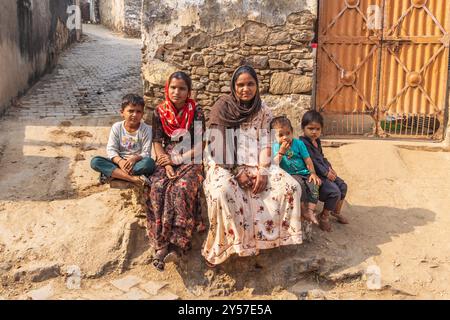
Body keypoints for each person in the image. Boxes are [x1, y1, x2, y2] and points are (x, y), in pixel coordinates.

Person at [202, 65, 304, 267]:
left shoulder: (264, 110)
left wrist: (263, 171)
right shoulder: (222, 107)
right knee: (222, 191)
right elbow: (217, 144)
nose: (245, 89)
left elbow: (266, 143)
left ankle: (267, 241)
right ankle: (227, 246)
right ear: (233, 86)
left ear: (257, 86)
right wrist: (237, 171)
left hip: (257, 159)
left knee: (291, 188)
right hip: (225, 160)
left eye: (250, 84)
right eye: (240, 84)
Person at [146, 71, 205, 272]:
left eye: (181, 88)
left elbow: (200, 145)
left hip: (191, 155)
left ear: (188, 91)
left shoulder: (196, 112)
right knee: (158, 186)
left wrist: (177, 159)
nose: (176, 92)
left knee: (181, 187)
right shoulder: (159, 112)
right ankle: (161, 244)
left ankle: (178, 244)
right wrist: (167, 164)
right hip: (167, 156)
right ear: (167, 88)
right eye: (173, 87)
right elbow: (157, 141)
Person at [299, 110, 349, 232]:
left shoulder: (317, 141)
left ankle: (335, 212)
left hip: (324, 171)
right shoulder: (302, 143)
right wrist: (326, 173)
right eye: (310, 128)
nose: (314, 132)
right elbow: (311, 161)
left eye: (317, 129)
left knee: (343, 186)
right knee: (334, 192)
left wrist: (329, 168)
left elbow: (321, 157)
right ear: (303, 128)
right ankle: (324, 217)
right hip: (313, 174)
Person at [90, 94, 154, 187]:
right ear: (122, 112)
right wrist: (120, 162)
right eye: (131, 111)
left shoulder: (146, 129)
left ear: (142, 114)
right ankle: (133, 178)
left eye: (138, 111)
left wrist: (134, 158)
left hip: (136, 164)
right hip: (118, 162)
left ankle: (114, 174)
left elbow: (146, 152)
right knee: (95, 161)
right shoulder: (117, 127)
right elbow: (111, 150)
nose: (135, 115)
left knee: (149, 163)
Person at [271, 116, 322, 226]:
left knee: (314, 185)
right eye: (280, 135)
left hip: (304, 172)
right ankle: (303, 209)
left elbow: (307, 159)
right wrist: (281, 152)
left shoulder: (299, 144)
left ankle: (310, 210)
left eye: (288, 133)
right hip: (289, 175)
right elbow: (274, 164)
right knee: (299, 186)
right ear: (273, 136)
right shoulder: (275, 146)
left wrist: (313, 173)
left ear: (292, 132)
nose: (285, 137)